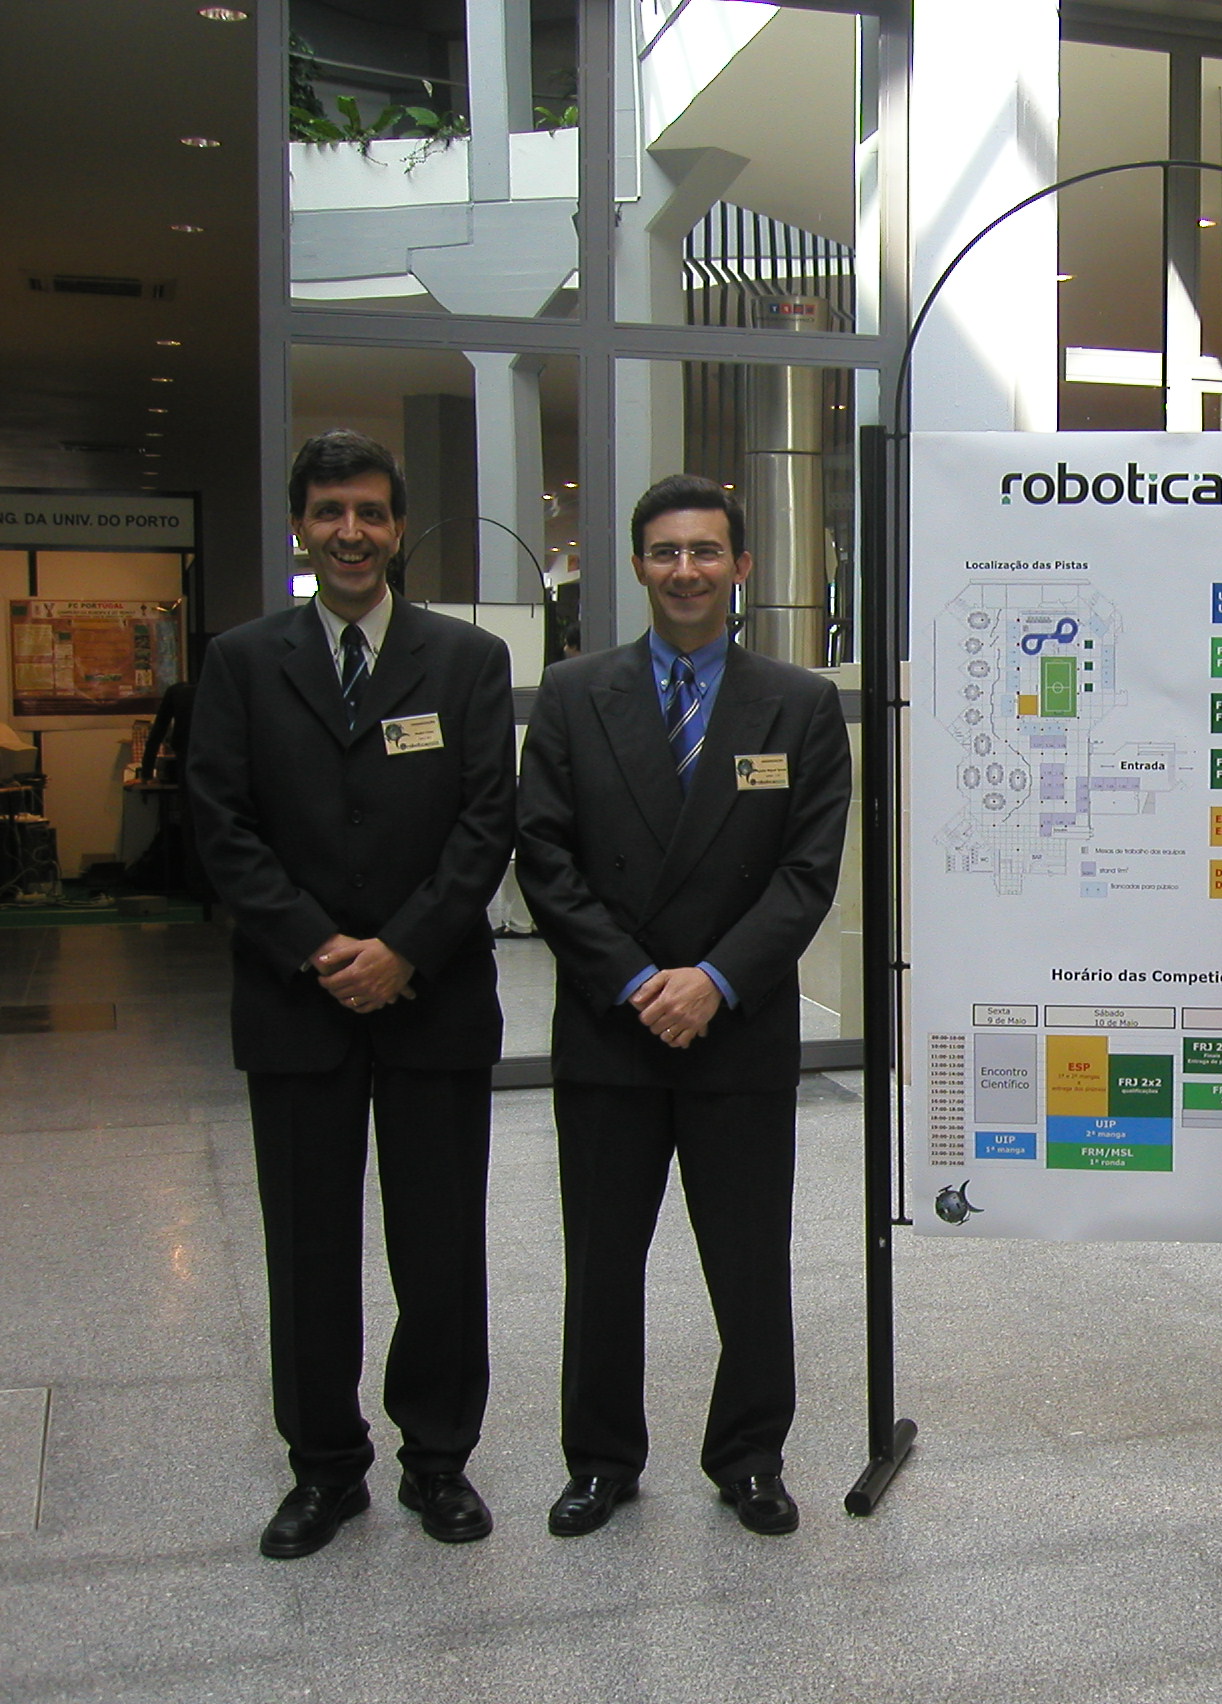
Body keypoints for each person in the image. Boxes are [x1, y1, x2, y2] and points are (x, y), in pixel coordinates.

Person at [187, 430, 516, 1559]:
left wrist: (403, 950)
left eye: (370, 513)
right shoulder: (241, 661)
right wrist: (324, 948)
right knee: (308, 1251)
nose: (350, 533)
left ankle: (439, 1459)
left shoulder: (464, 660)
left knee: (440, 1246)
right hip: (296, 1005)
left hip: (434, 1002)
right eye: (329, 513)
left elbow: (486, 822)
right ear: (299, 526)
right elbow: (220, 826)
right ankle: (324, 1469)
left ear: (398, 526)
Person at [516, 473, 851, 1540]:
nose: (686, 570)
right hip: (611, 1026)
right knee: (601, 1261)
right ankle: (600, 1459)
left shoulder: (798, 705)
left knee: (749, 1261)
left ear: (741, 566)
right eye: (665, 552)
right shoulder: (574, 695)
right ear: (637, 565)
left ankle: (750, 1457)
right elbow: (545, 857)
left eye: (706, 551)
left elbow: (806, 875)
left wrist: (712, 980)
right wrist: (635, 980)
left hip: (735, 1027)